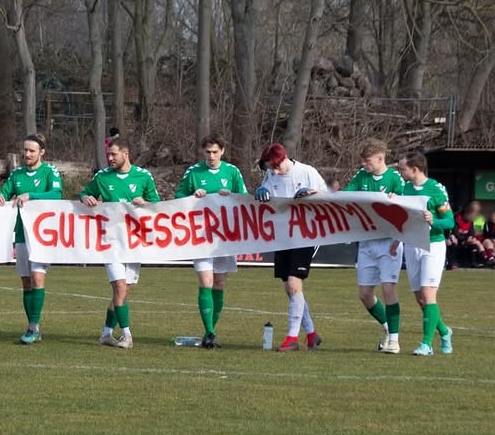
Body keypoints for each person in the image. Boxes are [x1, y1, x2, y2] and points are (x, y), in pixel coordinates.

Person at [79, 133, 160, 349]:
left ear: (126, 153)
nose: (110, 159)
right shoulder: (103, 177)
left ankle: (106, 333)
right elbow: (86, 193)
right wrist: (86, 197)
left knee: (123, 291)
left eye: (113, 154)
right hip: (111, 240)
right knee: (120, 287)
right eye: (108, 155)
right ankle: (127, 335)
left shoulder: (143, 177)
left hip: (134, 242)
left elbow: (157, 205)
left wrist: (145, 202)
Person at [173, 133, 247, 349]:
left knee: (220, 283)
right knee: (205, 282)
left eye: (215, 151)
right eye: (208, 152)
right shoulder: (194, 172)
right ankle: (210, 332)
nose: (212, 155)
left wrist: (231, 195)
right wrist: (192, 195)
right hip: (201, 236)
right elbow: (177, 196)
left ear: (222, 151)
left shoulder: (232, 172)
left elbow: (244, 197)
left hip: (224, 238)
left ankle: (209, 332)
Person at [254, 143, 327, 352]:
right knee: (290, 287)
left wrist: (313, 193)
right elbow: (266, 195)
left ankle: (292, 338)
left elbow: (330, 196)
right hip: (283, 234)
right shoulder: (270, 174)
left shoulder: (307, 172)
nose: (274, 172)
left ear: (285, 158)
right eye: (270, 169)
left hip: (306, 233)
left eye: (276, 167)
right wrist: (261, 192)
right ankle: (311, 334)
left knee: (295, 284)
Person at [0, 133, 64, 344]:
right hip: (21, 234)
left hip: (42, 236)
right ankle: (32, 325)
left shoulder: (50, 172)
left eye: (32, 150)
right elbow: (4, 194)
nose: (27, 154)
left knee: (37, 278)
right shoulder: (16, 175)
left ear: (42, 152)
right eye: (25, 150)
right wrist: (0, 197)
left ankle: (34, 327)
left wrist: (31, 195)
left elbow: (57, 194)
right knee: (26, 282)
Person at [341, 138, 406, 353]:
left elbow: (409, 206)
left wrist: (398, 201)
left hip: (389, 243)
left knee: (388, 289)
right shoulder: (362, 176)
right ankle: (388, 328)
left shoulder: (395, 178)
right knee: (365, 294)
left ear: (381, 158)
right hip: (367, 242)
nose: (364, 165)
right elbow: (347, 195)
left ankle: (395, 341)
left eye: (368, 161)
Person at [397, 152, 454, 356]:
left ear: (415, 169)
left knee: (428, 294)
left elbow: (449, 221)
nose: (400, 172)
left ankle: (426, 344)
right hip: (412, 245)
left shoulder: (436, 190)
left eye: (403, 169)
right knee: (420, 298)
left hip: (433, 246)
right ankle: (445, 331)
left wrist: (434, 221)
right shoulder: (404, 189)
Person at [449, 202, 484, 269]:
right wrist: (463, 240)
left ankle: (473, 262)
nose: (474, 216)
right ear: (468, 212)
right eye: (473, 213)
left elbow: (472, 233)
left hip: (465, 240)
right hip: (456, 239)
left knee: (475, 242)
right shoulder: (456, 218)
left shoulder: (470, 221)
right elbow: (455, 233)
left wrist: (470, 238)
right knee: (453, 240)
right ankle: (452, 262)